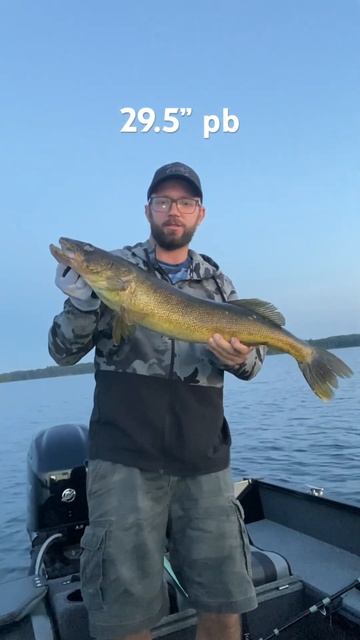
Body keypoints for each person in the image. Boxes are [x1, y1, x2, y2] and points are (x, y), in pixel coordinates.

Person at [49, 162, 266, 640]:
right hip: (125, 461)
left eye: (185, 202)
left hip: (204, 464)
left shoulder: (217, 283)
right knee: (124, 618)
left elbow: (253, 366)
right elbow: (62, 352)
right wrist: (82, 302)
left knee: (224, 602)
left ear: (200, 213)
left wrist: (239, 357)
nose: (174, 211)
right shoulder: (115, 271)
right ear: (148, 209)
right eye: (163, 201)